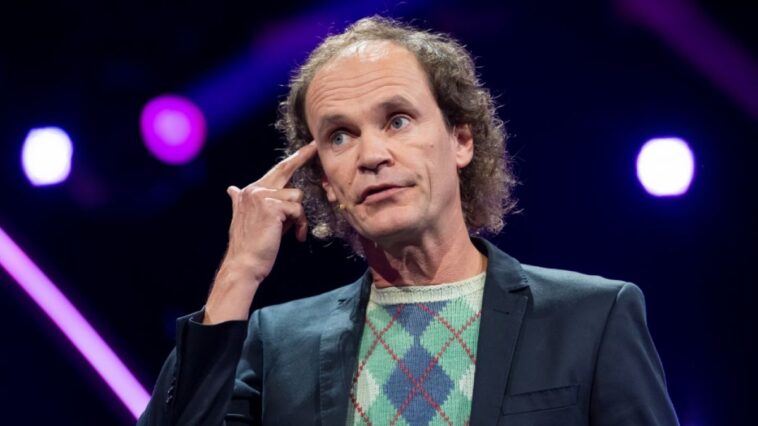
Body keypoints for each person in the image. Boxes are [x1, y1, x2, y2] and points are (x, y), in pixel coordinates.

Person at [138, 16, 678, 425]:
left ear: (460, 140)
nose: (371, 155)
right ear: (325, 181)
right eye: (339, 136)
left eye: (397, 120)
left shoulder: (591, 317)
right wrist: (239, 272)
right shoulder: (279, 344)